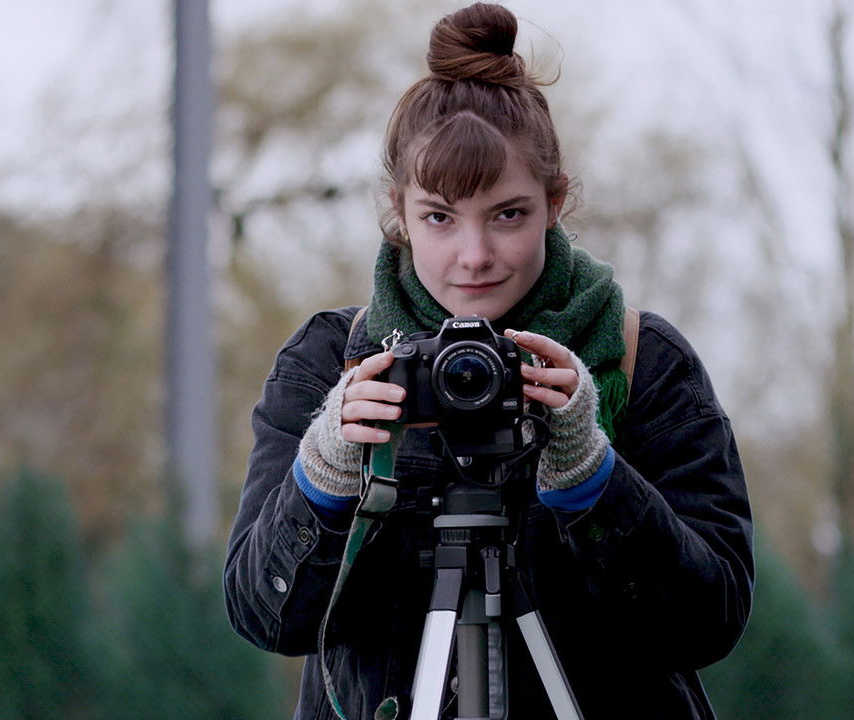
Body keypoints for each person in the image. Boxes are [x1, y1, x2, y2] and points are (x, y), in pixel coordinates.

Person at [224, 3, 753, 718]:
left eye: (508, 214)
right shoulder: (332, 361)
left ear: (554, 203)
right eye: (440, 217)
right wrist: (327, 468)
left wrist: (590, 475)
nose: (474, 256)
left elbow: (711, 620)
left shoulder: (640, 360)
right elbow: (264, 618)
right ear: (400, 212)